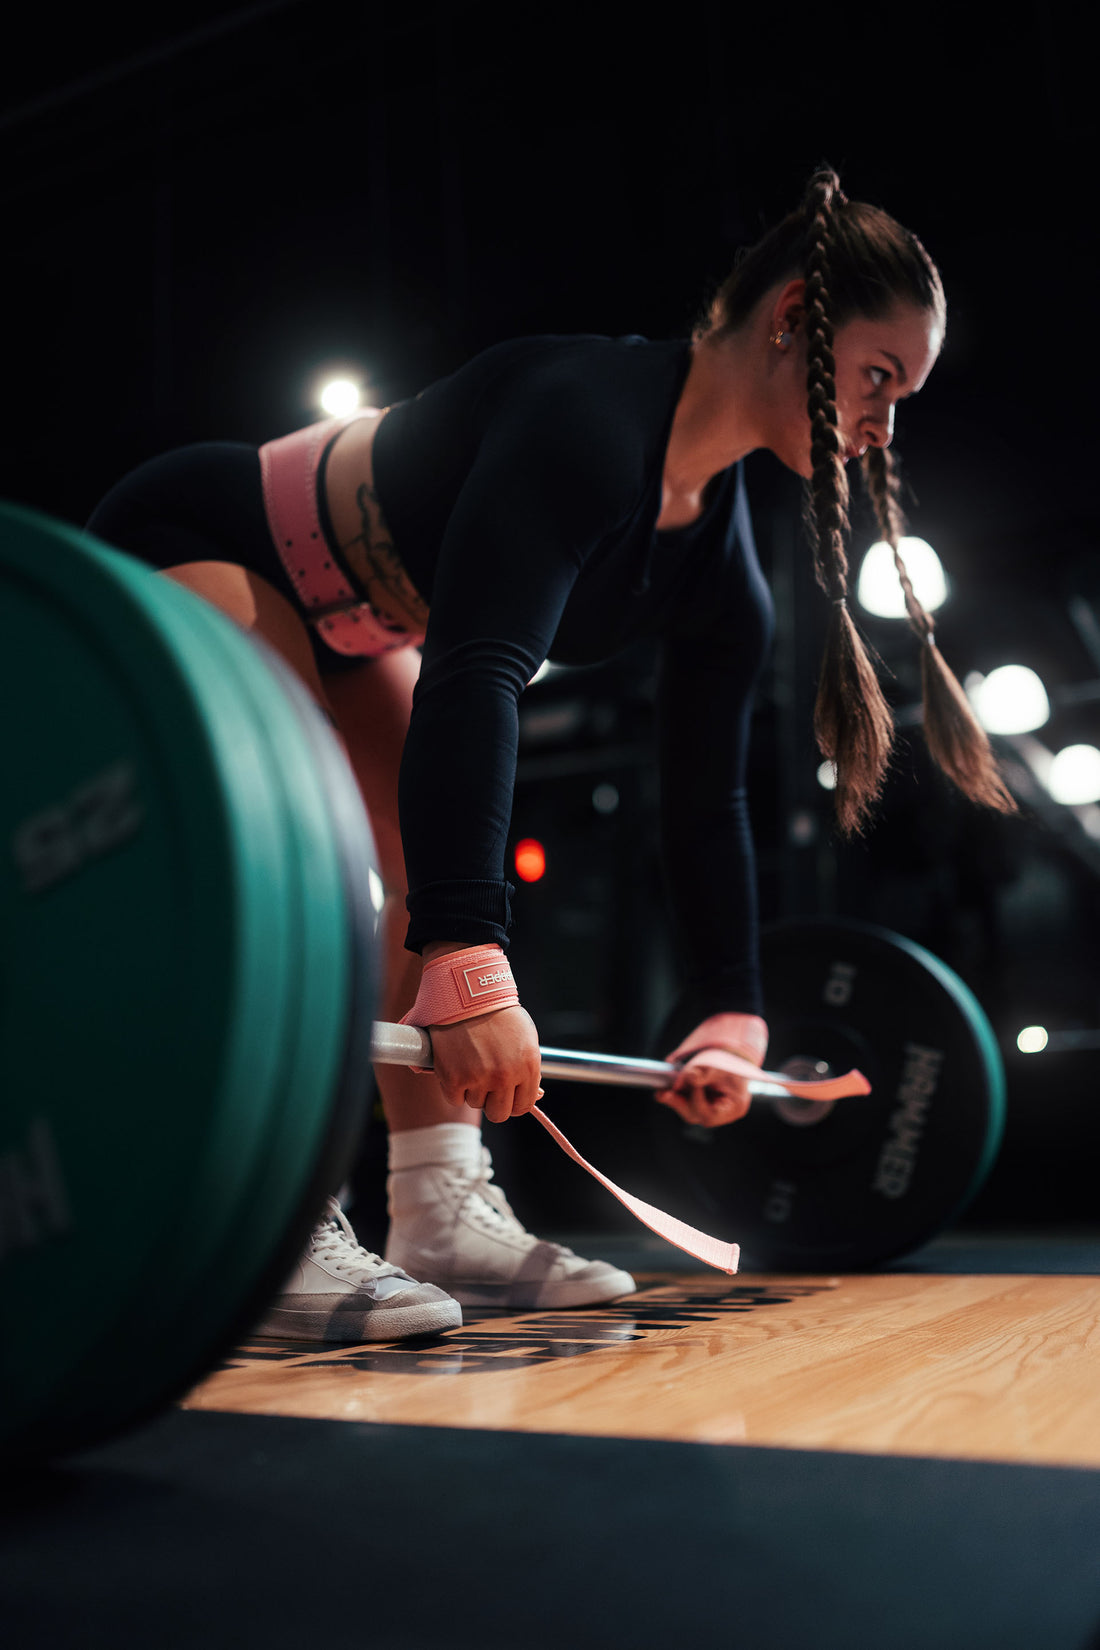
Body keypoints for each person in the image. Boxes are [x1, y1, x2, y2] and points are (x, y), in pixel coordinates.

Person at [85, 165, 1015, 1342]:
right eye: (878, 378)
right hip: (212, 538)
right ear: (790, 320)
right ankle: (270, 1212)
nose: (884, 422)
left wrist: (729, 1010)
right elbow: (478, 674)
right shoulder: (587, 418)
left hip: (351, 618)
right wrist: (471, 958)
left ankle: (435, 1211)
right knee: (317, 848)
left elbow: (704, 793)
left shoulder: (720, 568)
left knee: (408, 869)